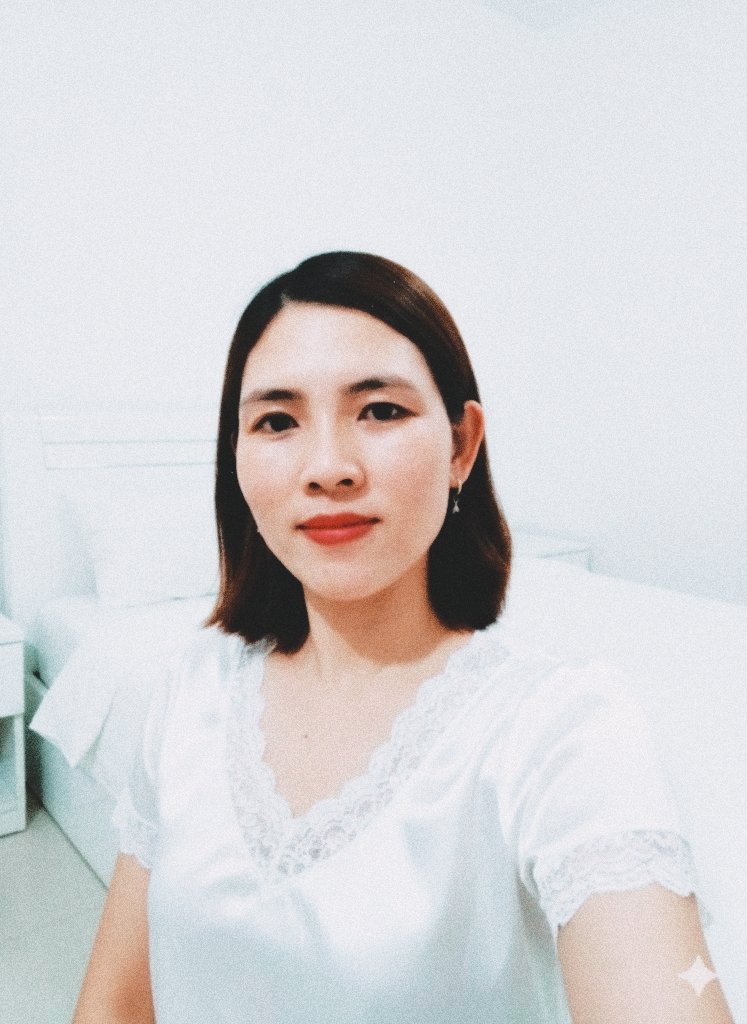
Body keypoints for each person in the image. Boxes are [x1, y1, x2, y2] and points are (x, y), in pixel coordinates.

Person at [73, 251, 733, 1023]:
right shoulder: (189, 692)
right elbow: (117, 1003)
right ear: (236, 459)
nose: (328, 467)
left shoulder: (563, 729)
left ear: (461, 446)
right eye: (277, 421)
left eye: (380, 410)